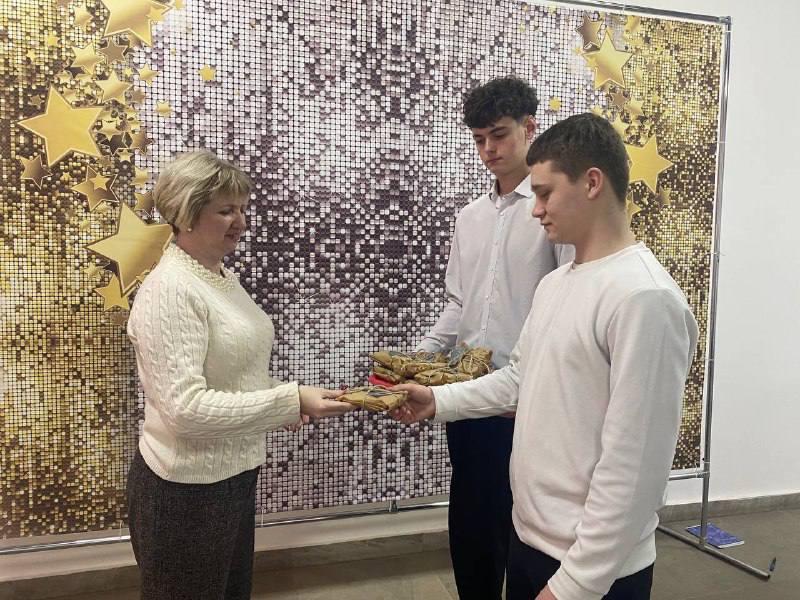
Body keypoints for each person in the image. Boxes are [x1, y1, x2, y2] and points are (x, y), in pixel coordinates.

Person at [395, 113, 698, 600]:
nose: (534, 210)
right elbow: (520, 379)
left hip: (593, 571)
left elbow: (636, 469)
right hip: (532, 542)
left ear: (592, 183)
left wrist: (576, 583)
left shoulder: (645, 299)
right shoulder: (557, 283)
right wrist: (438, 400)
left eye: (544, 193)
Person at [126, 150, 354, 600]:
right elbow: (185, 411)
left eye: (243, 208)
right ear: (186, 213)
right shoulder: (170, 291)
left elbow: (234, 376)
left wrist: (291, 396)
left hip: (231, 478)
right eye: (226, 211)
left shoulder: (218, 278)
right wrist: (288, 401)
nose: (241, 222)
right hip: (185, 493)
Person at [416, 76, 572, 599]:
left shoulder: (552, 212)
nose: (488, 149)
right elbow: (459, 303)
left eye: (499, 135)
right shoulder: (470, 217)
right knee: (472, 526)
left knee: (529, 533)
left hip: (526, 401)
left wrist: (538, 390)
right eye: (479, 139)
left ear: (530, 128)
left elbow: (566, 305)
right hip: (467, 394)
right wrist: (419, 356)